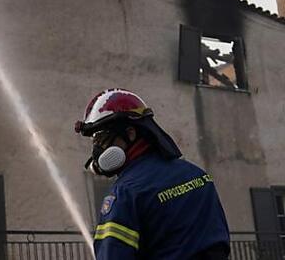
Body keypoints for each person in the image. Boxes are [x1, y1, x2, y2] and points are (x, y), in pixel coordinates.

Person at [74, 88, 230, 260]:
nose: (97, 150)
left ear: (130, 134)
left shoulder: (126, 193)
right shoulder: (198, 175)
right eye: (94, 142)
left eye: (102, 139)